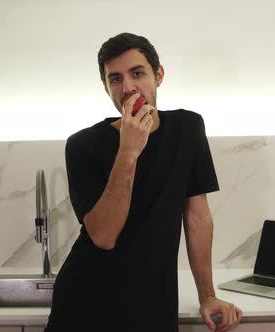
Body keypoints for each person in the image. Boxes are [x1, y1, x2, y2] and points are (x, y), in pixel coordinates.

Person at [45, 32, 242, 332]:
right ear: (106, 87)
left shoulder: (187, 129)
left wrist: (208, 295)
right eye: (115, 79)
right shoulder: (82, 145)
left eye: (137, 73)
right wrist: (128, 151)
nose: (128, 88)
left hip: (153, 305)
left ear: (158, 75)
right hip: (85, 305)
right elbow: (104, 235)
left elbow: (197, 217)